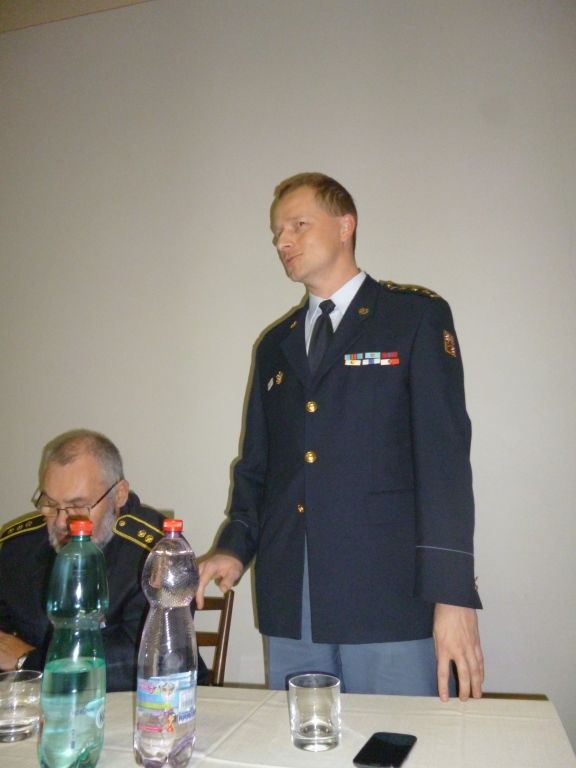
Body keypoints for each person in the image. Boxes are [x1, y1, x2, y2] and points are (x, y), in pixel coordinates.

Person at [197, 172, 484, 700]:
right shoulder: (275, 345)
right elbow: (259, 467)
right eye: (277, 232)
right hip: (293, 593)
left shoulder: (412, 317)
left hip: (388, 594)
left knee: (392, 739)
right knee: (300, 739)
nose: (282, 241)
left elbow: (443, 462)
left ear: (346, 225)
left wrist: (453, 595)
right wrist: (234, 548)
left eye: (298, 225)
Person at [0, 429, 208, 691]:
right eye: (50, 504)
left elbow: (150, 657)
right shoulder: (17, 547)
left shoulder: (157, 552)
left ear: (119, 494)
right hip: (33, 701)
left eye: (79, 506)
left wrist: (28, 661)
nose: (62, 521)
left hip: (148, 702)